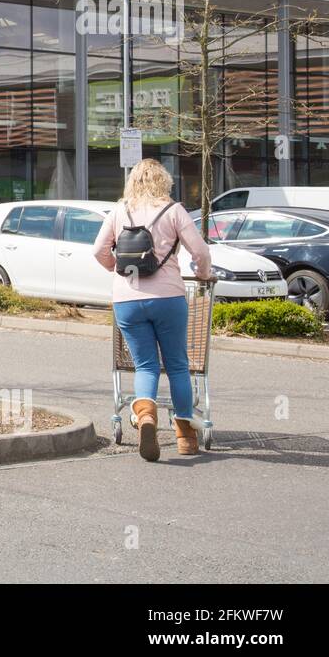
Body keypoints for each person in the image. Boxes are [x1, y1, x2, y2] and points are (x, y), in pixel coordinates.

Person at [93, 159, 213, 461]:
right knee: (176, 365)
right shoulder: (173, 210)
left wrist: (117, 271)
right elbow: (200, 251)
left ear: (132, 181)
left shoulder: (119, 210)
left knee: (145, 365)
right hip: (168, 298)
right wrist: (201, 274)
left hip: (127, 300)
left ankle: (146, 417)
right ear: (164, 182)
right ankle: (185, 435)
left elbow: (98, 250)